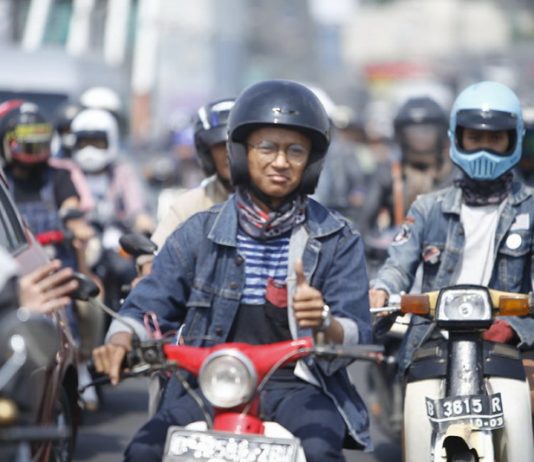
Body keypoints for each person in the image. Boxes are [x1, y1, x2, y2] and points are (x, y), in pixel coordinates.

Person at [93, 79, 372, 462]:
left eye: (295, 150)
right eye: (267, 147)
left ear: (311, 160)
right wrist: (121, 340)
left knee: (321, 452)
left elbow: (356, 331)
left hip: (297, 384)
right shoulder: (197, 231)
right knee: (142, 452)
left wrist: (324, 323)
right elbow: (149, 302)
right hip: (205, 380)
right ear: (240, 153)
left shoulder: (338, 238)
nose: (280, 162)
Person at [369, 81, 534, 453]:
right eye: (475, 138)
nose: (484, 148)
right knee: (416, 419)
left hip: (509, 343)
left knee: (521, 414)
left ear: (514, 140)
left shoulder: (530, 208)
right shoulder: (428, 207)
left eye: (495, 139)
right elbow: (398, 264)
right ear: (457, 138)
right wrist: (381, 289)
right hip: (433, 340)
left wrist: (515, 325)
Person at [137, 97, 235, 277]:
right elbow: (154, 258)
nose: (229, 154)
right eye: (221, 146)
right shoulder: (190, 204)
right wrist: (148, 271)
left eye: (237, 144)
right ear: (207, 152)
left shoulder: (277, 204)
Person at [70, 107, 153, 234]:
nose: (89, 150)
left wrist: (141, 220)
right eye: (84, 143)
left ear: (111, 141)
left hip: (116, 237)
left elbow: (135, 205)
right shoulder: (69, 173)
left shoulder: (122, 173)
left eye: (97, 143)